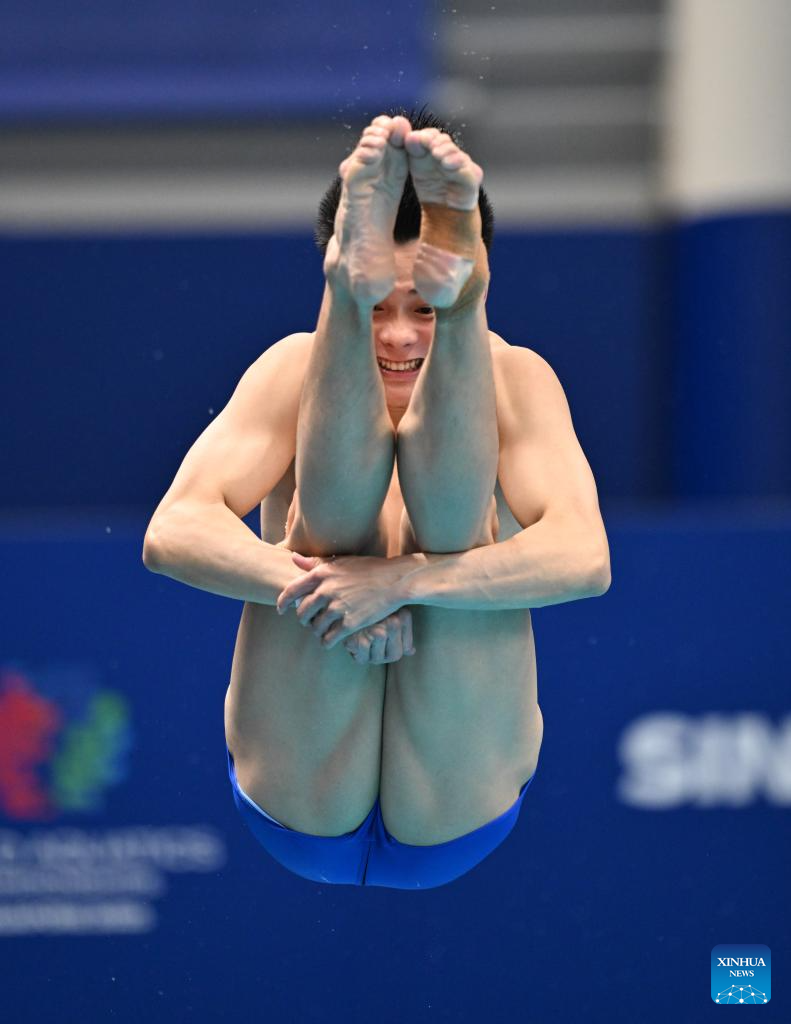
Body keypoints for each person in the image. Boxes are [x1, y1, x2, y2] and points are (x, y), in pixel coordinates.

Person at [142, 107, 611, 890]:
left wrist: (399, 583)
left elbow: (582, 558)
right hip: (301, 770)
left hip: (454, 789)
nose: (396, 336)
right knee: (330, 529)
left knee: (455, 530)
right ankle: (371, 300)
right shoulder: (291, 369)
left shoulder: (516, 379)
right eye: (374, 306)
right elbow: (173, 532)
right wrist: (329, 589)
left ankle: (449, 308)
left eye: (425, 308)